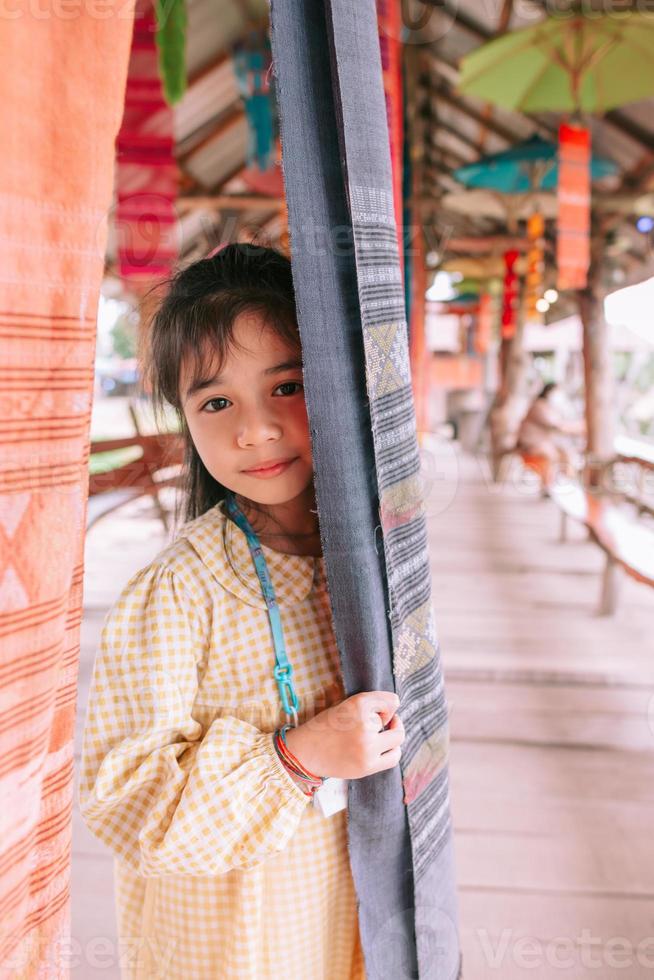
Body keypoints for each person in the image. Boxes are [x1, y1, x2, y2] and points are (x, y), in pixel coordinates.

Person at [78, 243, 405, 980]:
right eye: (216, 401)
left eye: (287, 387)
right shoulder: (182, 591)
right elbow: (130, 803)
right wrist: (301, 756)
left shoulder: (372, 561)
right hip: (232, 944)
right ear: (185, 418)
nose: (253, 430)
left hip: (347, 912)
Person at [516, 381, 585, 486]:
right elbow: (556, 426)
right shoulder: (539, 406)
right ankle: (549, 485)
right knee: (552, 455)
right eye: (557, 391)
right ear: (549, 392)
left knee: (565, 452)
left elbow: (560, 424)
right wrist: (578, 428)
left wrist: (576, 428)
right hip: (530, 444)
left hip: (539, 442)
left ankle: (567, 480)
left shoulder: (546, 406)